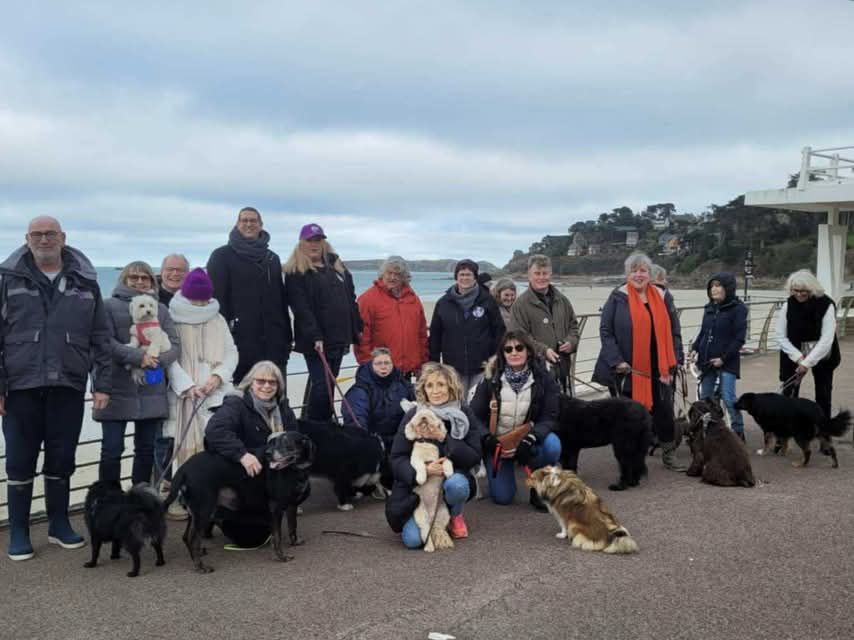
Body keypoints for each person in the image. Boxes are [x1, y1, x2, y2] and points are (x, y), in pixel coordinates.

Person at [0, 216, 111, 561]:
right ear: (27, 238)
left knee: (62, 458)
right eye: (37, 234)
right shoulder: (7, 280)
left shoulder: (85, 281)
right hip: (20, 386)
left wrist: (102, 384)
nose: (44, 239)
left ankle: (59, 524)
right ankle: (19, 531)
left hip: (68, 384)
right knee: (19, 460)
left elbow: (100, 336)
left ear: (63, 237)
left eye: (50, 234)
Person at [592, 252, 685, 470]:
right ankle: (632, 461)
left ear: (649, 274)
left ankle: (669, 454)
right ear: (628, 274)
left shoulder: (662, 295)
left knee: (664, 412)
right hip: (629, 368)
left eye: (643, 270)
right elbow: (606, 331)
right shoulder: (617, 297)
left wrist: (676, 358)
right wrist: (616, 360)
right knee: (630, 416)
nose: (638, 275)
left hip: (660, 367)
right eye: (634, 271)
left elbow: (675, 330)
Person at [94, 261, 180, 486]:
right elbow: (104, 342)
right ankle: (109, 497)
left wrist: (156, 360)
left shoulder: (161, 309)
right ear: (124, 279)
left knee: (145, 449)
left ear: (152, 281)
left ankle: (140, 496)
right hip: (115, 386)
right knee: (112, 448)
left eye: (145, 277)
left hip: (151, 387)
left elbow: (174, 345)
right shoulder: (107, 306)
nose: (140, 281)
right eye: (134, 277)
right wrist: (137, 357)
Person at [161, 268, 239, 517]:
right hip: (186, 394)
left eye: (204, 299)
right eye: (196, 299)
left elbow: (231, 352)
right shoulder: (171, 317)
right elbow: (169, 356)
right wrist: (187, 385)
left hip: (215, 391)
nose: (200, 304)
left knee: (216, 445)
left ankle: (214, 497)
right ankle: (181, 496)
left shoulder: (218, 318)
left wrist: (218, 376)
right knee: (180, 446)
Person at [386, 363, 483, 548]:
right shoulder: (414, 414)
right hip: (418, 486)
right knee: (413, 541)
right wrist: (423, 470)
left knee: (457, 485)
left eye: (441, 384)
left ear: (451, 386)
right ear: (423, 389)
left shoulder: (463, 413)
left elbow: (474, 456)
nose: (435, 391)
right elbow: (397, 458)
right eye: (429, 385)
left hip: (449, 477)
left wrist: (444, 438)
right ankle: (425, 517)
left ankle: (454, 514)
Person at [204, 360, 298, 550]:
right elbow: (215, 431)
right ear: (250, 382)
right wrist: (242, 455)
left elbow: (294, 436)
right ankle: (216, 513)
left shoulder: (283, 406)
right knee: (250, 539)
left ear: (279, 385)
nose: (266, 386)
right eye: (260, 381)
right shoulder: (236, 403)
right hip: (238, 470)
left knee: (264, 531)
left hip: (266, 472)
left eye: (272, 382)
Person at [470, 331, 561, 510]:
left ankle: (540, 484)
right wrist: (486, 438)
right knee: (503, 498)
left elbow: (550, 416)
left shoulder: (544, 377)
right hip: (497, 444)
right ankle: (506, 469)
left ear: (528, 351)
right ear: (502, 353)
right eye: (508, 349)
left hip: (526, 439)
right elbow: (474, 415)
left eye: (519, 348)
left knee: (552, 445)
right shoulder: (490, 378)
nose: (514, 352)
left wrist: (531, 438)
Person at [285, 223, 362, 420]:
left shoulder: (337, 267)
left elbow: (350, 299)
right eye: (309, 240)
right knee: (321, 386)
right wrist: (315, 335)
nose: (314, 244)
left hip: (339, 337)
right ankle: (316, 425)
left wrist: (357, 327)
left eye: (318, 240)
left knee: (331, 382)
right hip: (316, 341)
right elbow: (300, 308)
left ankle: (324, 423)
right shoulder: (296, 272)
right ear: (301, 243)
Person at [206, 206, 292, 384]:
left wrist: (287, 338)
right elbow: (216, 302)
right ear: (237, 224)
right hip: (239, 342)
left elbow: (280, 301)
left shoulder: (272, 258)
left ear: (261, 225)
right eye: (244, 220)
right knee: (240, 395)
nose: (249, 224)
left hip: (274, 343)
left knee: (276, 393)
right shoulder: (221, 256)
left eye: (253, 221)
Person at [429, 259, 504, 398]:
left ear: (475, 277)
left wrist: (494, 358)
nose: (465, 278)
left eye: (469, 274)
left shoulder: (487, 301)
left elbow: (499, 331)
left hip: (482, 367)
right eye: (461, 274)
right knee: (457, 403)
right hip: (453, 367)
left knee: (479, 403)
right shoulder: (443, 303)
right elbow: (435, 336)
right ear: (456, 277)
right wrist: (434, 364)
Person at [343, 347, 415, 494]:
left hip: (399, 439)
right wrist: (368, 442)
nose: (383, 367)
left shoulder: (403, 385)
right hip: (375, 442)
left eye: (387, 363)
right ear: (371, 365)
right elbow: (356, 420)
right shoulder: (360, 390)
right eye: (378, 363)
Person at [776, 269, 841, 423]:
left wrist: (807, 363)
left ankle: (824, 428)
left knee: (823, 392)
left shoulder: (826, 305)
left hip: (822, 352)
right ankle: (787, 427)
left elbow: (827, 339)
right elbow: (780, 335)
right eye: (795, 290)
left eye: (803, 291)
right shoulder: (788, 304)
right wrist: (798, 358)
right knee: (789, 391)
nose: (799, 294)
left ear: (812, 289)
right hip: (794, 351)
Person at [508, 254, 579, 394]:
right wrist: (543, 350)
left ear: (550, 274)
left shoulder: (562, 300)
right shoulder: (520, 305)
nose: (541, 277)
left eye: (545, 273)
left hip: (562, 368)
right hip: (535, 373)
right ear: (529, 275)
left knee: (563, 405)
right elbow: (518, 337)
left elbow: (573, 326)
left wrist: (571, 342)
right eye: (537, 273)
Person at [690, 273, 748, 441]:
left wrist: (723, 358)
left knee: (728, 399)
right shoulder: (709, 308)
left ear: (728, 288)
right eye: (712, 286)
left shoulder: (738, 309)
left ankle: (738, 432)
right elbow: (703, 332)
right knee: (705, 399)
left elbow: (739, 338)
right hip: (707, 361)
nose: (713, 289)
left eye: (718, 285)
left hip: (727, 361)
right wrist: (695, 348)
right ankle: (707, 431)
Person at [354, 257, 428, 379]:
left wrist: (422, 363)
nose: (392, 277)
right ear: (382, 274)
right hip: (380, 370)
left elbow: (422, 334)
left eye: (397, 274)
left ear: (404, 277)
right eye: (389, 273)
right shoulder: (367, 299)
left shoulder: (413, 299)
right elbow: (361, 337)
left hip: (407, 371)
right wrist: (368, 365)